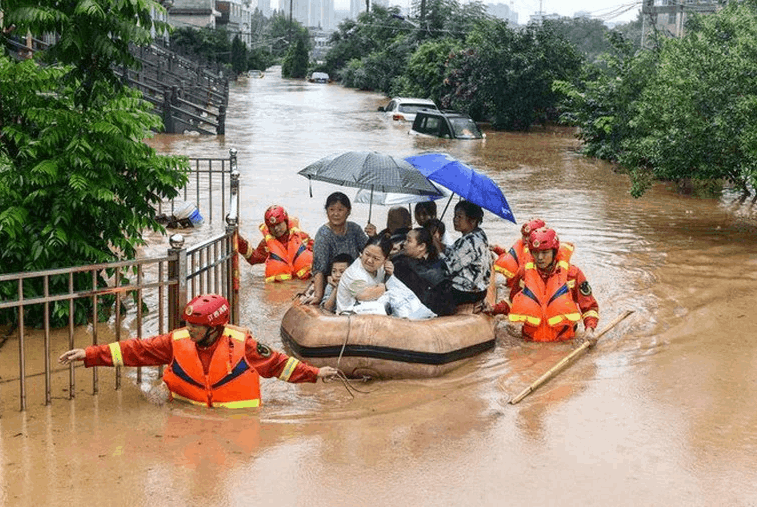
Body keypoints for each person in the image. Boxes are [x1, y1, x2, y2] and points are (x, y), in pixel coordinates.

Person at [58, 294, 338, 408]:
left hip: (235, 421)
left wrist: (315, 374)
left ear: (215, 328)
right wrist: (90, 354)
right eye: (189, 324)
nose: (189, 330)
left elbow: (278, 365)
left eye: (196, 326)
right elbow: (137, 350)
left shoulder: (244, 345)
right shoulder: (177, 341)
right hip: (184, 407)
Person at [508, 227, 599, 343]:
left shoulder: (572, 274)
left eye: (545, 252)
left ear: (554, 251)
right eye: (535, 252)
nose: (540, 257)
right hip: (530, 341)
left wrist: (589, 330)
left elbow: (589, 307)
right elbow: (512, 302)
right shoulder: (523, 273)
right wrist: (493, 309)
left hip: (564, 342)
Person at [304, 192, 370, 305]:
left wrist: (373, 236)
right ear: (327, 211)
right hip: (332, 280)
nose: (335, 214)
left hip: (353, 278)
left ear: (348, 212)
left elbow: (369, 253)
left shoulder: (355, 229)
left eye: (340, 210)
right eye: (332, 209)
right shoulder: (323, 234)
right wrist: (318, 296)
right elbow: (319, 269)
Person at [238, 205, 314, 282]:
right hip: (283, 287)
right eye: (272, 226)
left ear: (286, 221)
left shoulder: (301, 237)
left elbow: (317, 252)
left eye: (278, 224)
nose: (276, 229)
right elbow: (253, 258)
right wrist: (238, 240)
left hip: (303, 283)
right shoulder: (266, 245)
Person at [392, 227, 456, 316]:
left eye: (408, 241)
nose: (404, 244)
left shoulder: (438, 265)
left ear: (421, 246)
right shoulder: (399, 262)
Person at [441, 200, 492, 308]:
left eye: (459, 217)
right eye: (454, 216)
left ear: (472, 221)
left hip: (467, 293)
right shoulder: (479, 234)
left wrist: (436, 251)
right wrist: (440, 246)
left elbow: (447, 268)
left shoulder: (469, 241)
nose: (455, 220)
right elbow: (456, 252)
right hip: (480, 290)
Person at [336, 235, 394, 314]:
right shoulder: (354, 272)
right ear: (362, 251)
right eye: (367, 254)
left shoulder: (382, 267)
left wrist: (390, 274)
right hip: (348, 317)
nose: (369, 260)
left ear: (385, 260)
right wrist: (384, 287)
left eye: (376, 258)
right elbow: (363, 295)